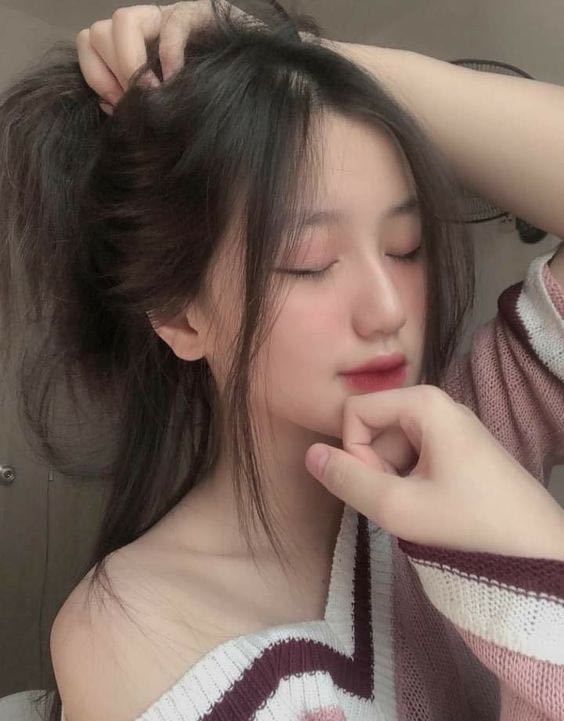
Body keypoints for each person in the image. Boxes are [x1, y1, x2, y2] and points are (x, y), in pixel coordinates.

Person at [0, 1, 562, 720]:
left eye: (405, 248)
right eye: (310, 262)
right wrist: (532, 574)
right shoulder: (141, 636)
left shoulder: (478, 431)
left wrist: (300, 61)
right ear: (182, 316)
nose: (387, 308)